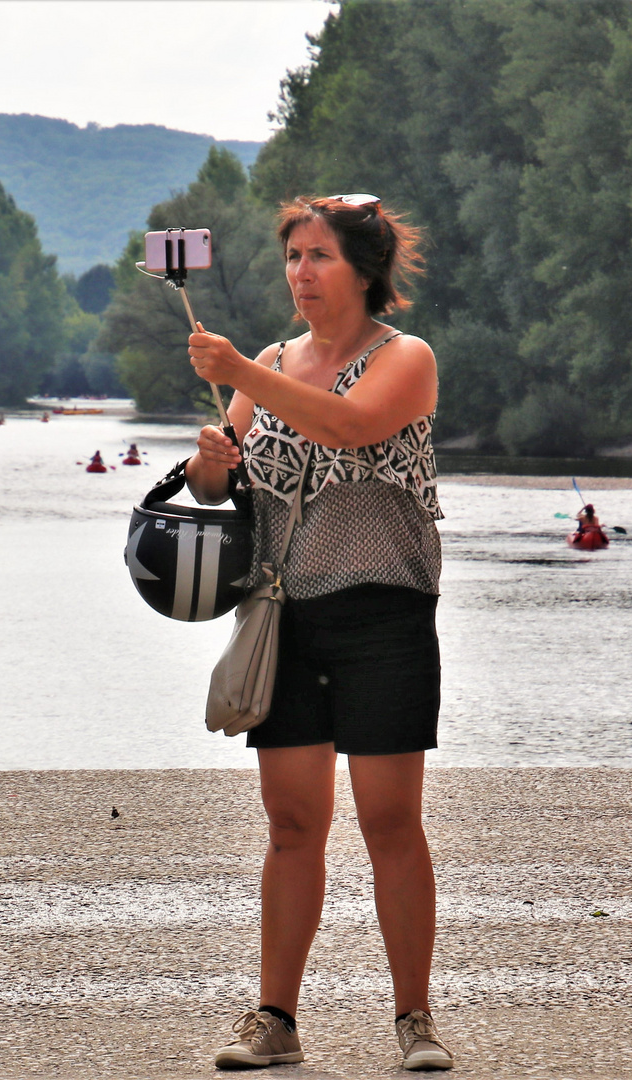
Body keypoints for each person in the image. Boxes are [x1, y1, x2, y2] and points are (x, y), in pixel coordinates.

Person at [183, 194, 453, 1072]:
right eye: (294, 256)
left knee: (389, 821)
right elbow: (219, 487)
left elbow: (349, 424)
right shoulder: (270, 360)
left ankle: (415, 1020)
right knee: (293, 822)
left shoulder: (404, 358)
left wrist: (238, 375)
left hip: (384, 609)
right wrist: (211, 463)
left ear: (365, 270)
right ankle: (274, 1020)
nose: (302, 272)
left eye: (320, 256)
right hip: (286, 614)